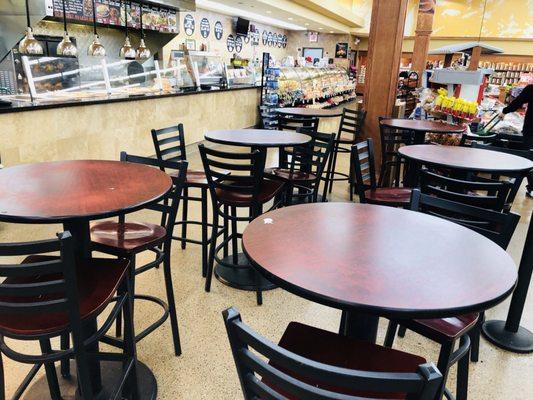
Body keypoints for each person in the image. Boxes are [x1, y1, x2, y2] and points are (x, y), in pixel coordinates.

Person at [499, 84, 533, 196]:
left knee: (530, 157)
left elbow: (518, 102)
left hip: (530, 130)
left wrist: (504, 111)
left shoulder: (531, 88)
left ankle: (531, 188)